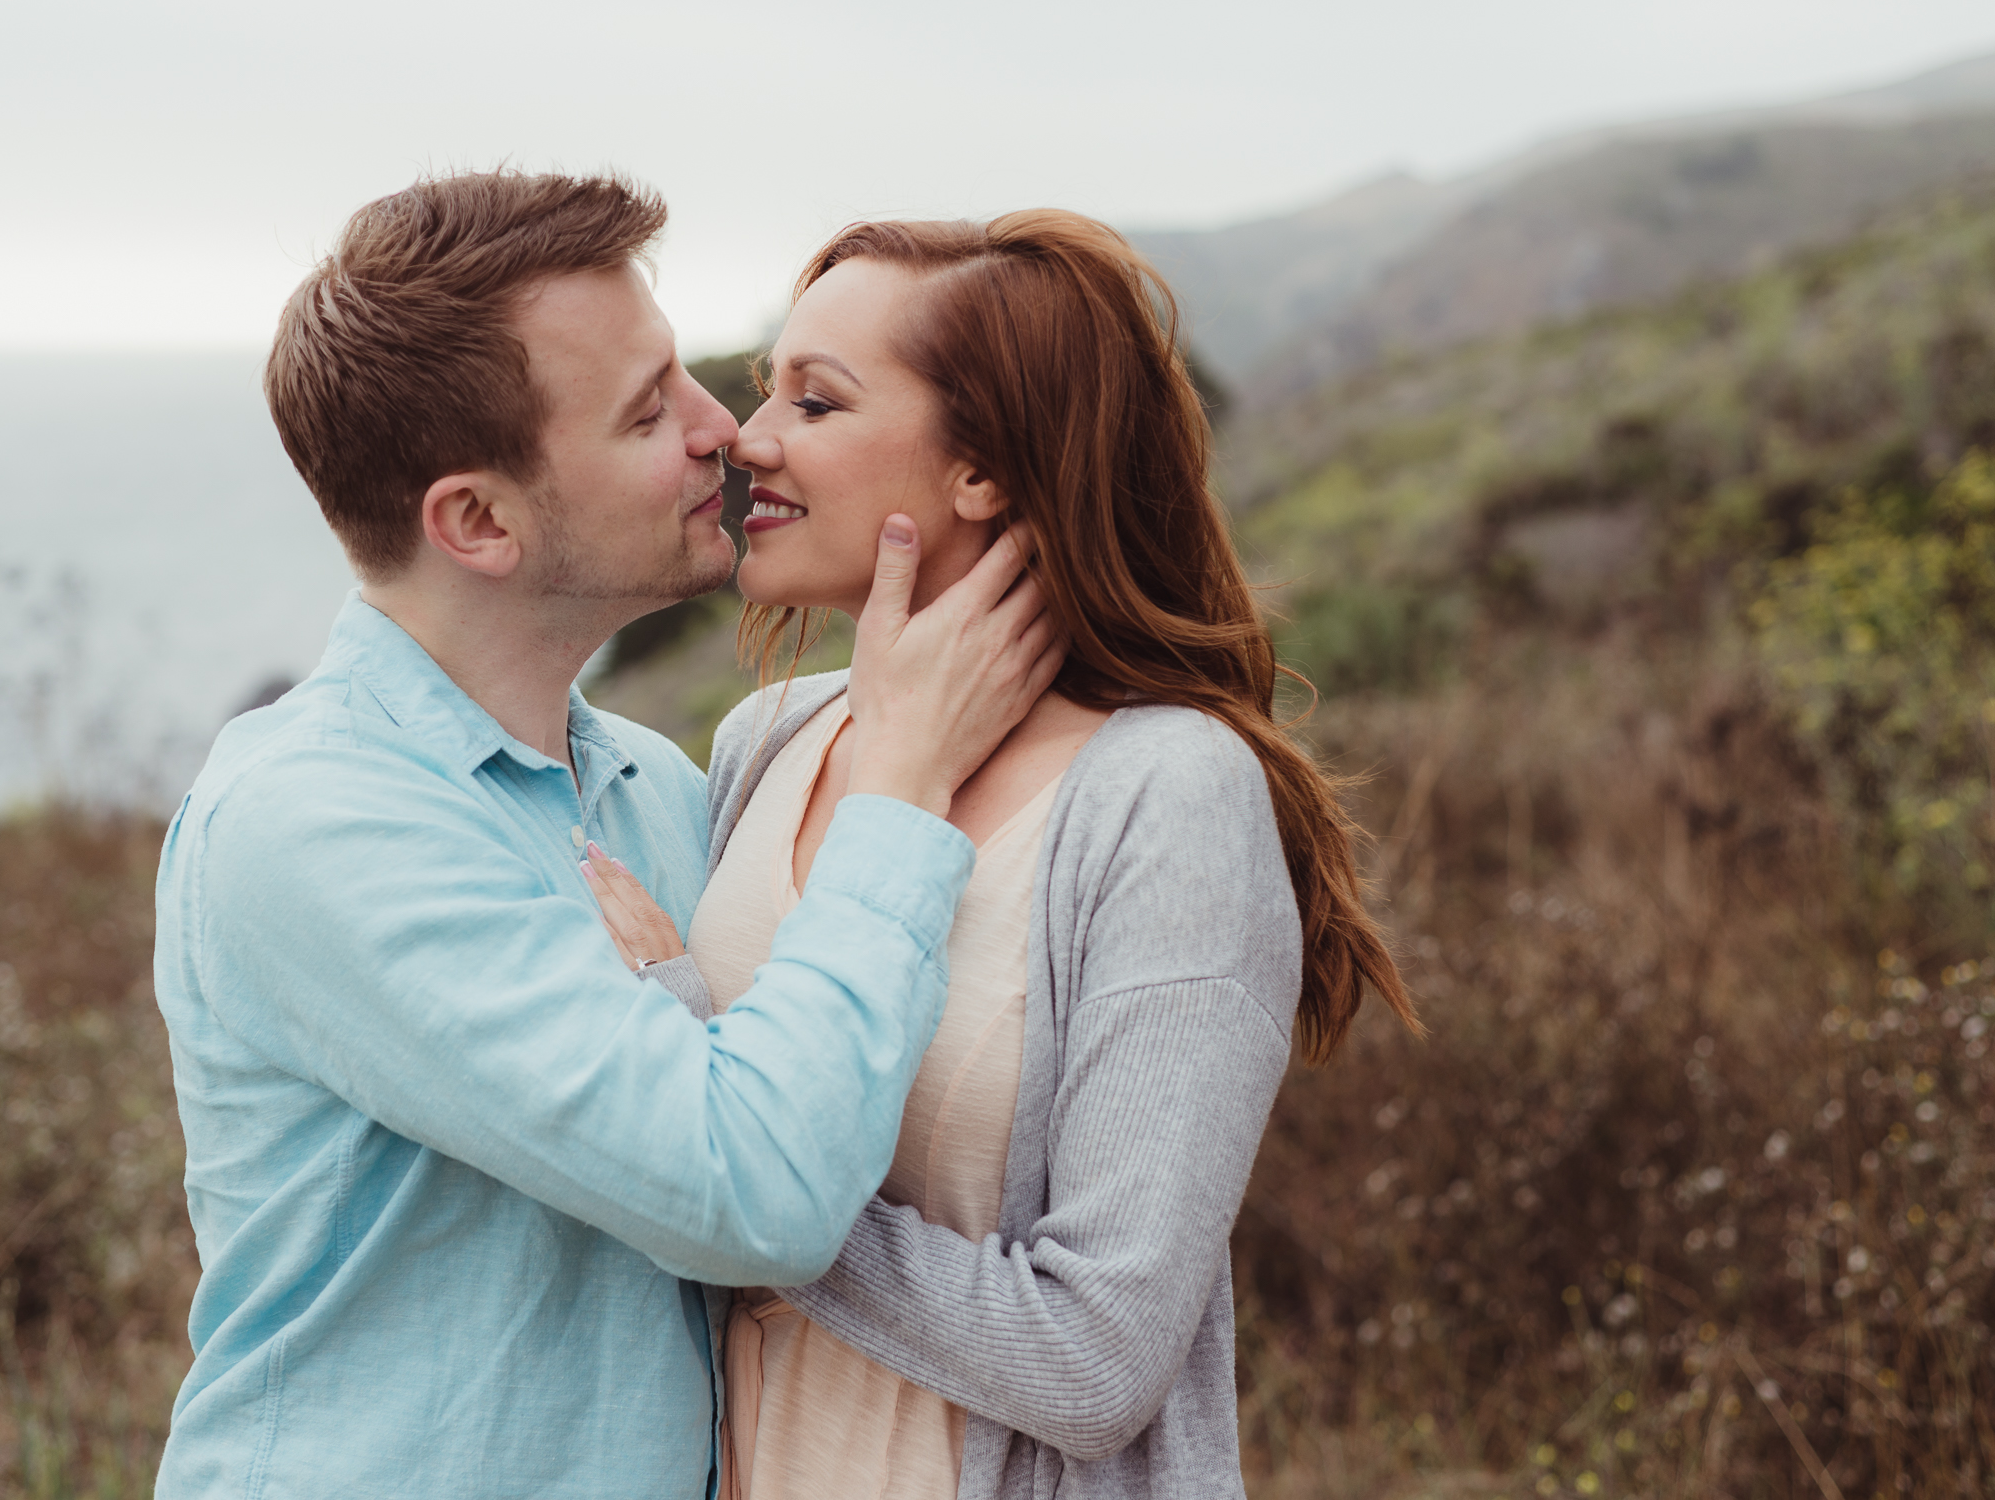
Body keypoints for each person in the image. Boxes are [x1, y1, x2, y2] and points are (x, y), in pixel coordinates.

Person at [151, 172, 1061, 1498]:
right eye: (649, 412)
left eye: (686, 377)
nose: (726, 433)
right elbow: (757, 1189)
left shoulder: (649, 779)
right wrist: (902, 783)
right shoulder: (311, 824)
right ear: (477, 521)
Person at [585, 210, 1423, 1500]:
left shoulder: (1166, 797)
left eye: (818, 402)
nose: (750, 441)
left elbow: (1096, 1363)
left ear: (980, 471)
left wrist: (730, 1158)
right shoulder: (765, 744)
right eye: (769, 392)